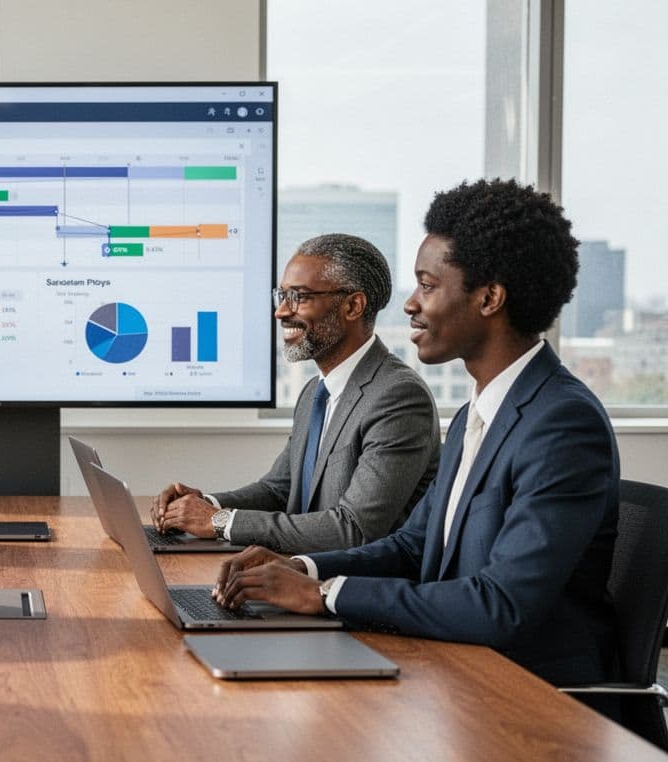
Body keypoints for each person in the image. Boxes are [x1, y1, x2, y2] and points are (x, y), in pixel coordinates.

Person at [213, 179, 619, 687]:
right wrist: (302, 566)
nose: (409, 304)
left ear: (490, 297)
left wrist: (325, 595)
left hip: (526, 696)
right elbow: (411, 547)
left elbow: (501, 604)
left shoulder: (561, 424)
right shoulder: (482, 411)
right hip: (452, 668)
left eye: (427, 286)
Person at [150, 234, 439, 554]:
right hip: (297, 574)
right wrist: (203, 505)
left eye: (299, 297)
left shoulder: (398, 397)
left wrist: (220, 521)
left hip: (353, 591)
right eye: (281, 295)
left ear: (353, 306)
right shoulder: (315, 392)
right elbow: (279, 490)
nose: (281, 312)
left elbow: (353, 529)